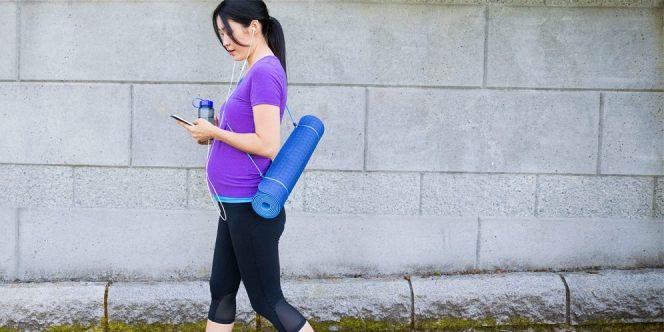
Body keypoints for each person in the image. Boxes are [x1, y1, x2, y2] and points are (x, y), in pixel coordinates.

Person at [178, 1, 315, 331]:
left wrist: (214, 131)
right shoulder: (254, 71)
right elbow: (245, 137)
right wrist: (210, 137)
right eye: (220, 34)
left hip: (250, 209)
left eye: (229, 32)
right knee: (221, 293)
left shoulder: (266, 72)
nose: (225, 41)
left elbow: (268, 144)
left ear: (253, 27)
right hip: (232, 207)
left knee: (267, 301)